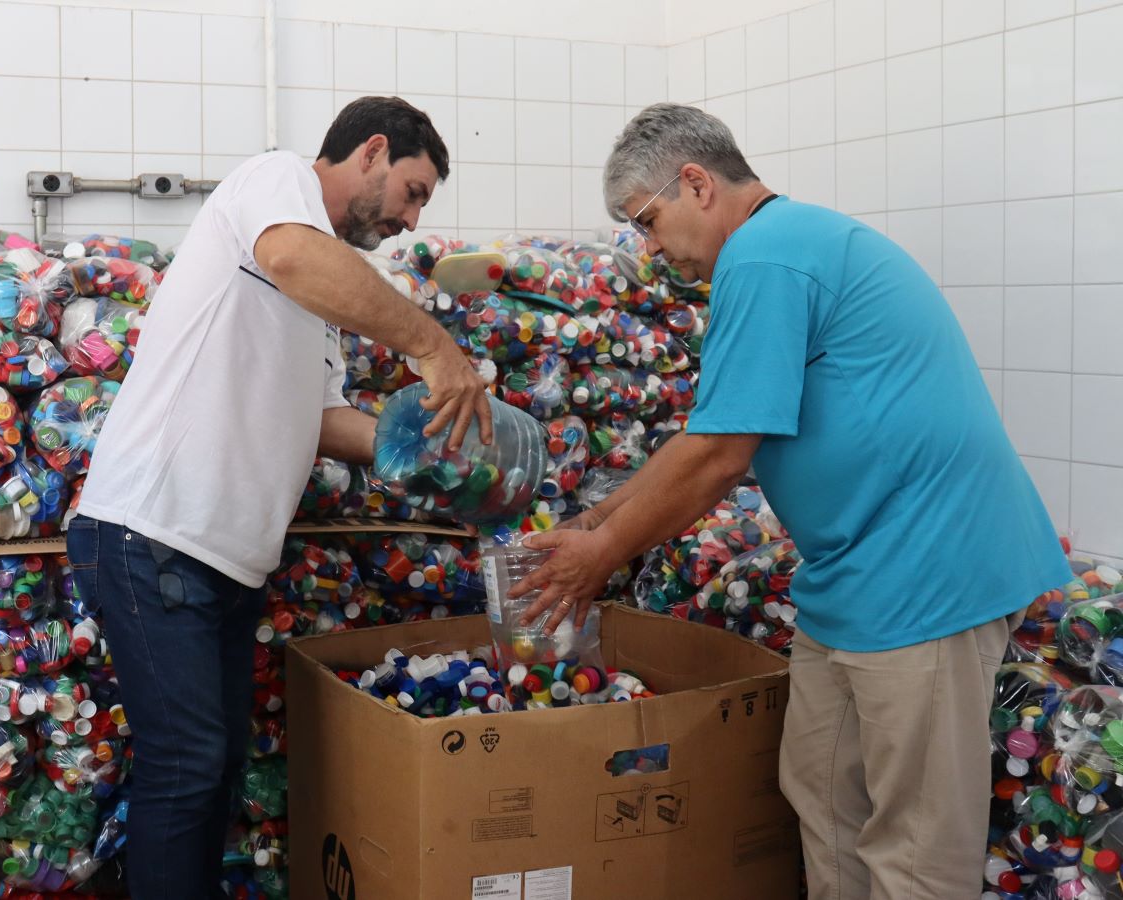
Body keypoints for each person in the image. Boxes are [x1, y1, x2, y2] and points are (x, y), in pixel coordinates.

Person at [509, 103, 1072, 900]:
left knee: (915, 847)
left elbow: (720, 456)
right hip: (852, 577)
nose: (650, 248)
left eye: (647, 220)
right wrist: (595, 520)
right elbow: (708, 435)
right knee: (823, 795)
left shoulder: (768, 256)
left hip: (927, 570)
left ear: (696, 183)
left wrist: (601, 555)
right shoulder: (775, 251)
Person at [66, 96, 490, 899]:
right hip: (153, 532)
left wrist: (427, 454)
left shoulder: (323, 297)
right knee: (187, 767)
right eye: (413, 192)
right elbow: (293, 256)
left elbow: (324, 419)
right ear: (371, 151)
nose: (411, 219)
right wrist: (434, 348)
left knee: (216, 768)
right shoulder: (275, 184)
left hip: (224, 558)